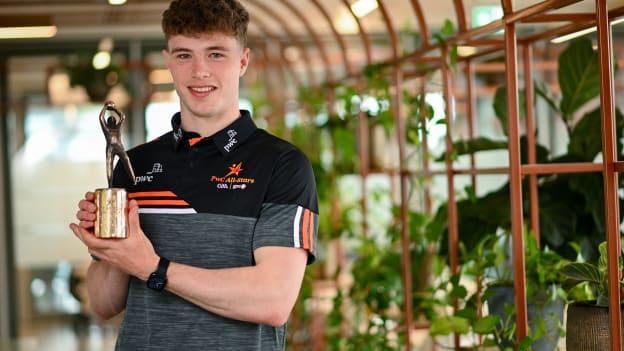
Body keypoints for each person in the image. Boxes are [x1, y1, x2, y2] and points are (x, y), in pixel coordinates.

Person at [69, 0, 319, 350]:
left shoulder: (281, 164)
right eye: (184, 55)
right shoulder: (133, 166)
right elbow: (103, 303)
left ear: (243, 60)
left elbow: (273, 300)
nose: (199, 71)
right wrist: (111, 250)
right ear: (168, 61)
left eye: (216, 54)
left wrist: (154, 268)